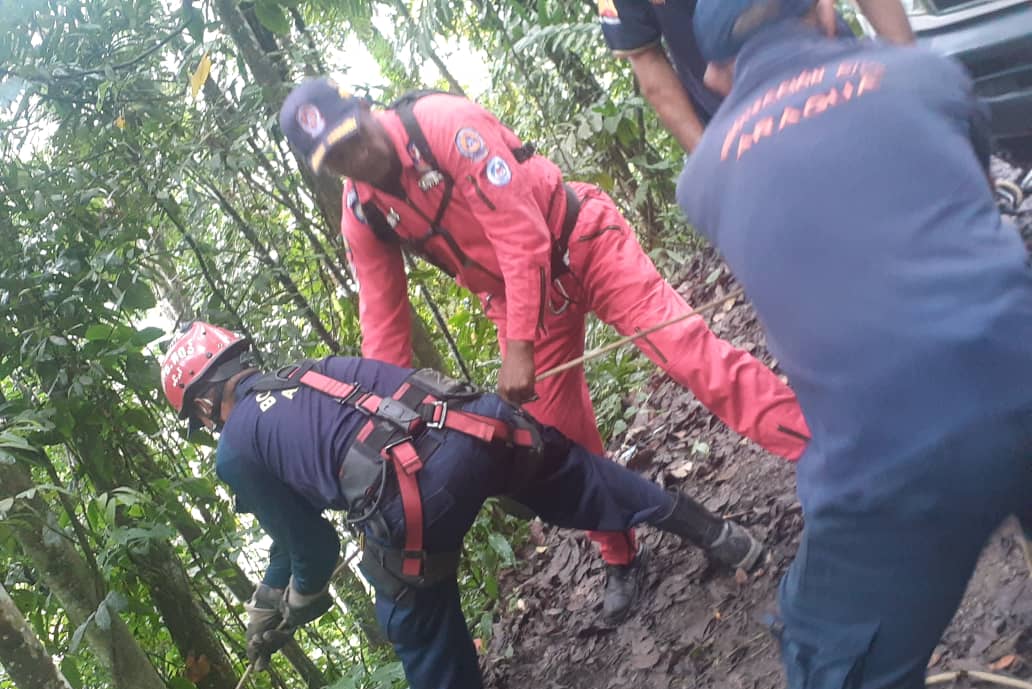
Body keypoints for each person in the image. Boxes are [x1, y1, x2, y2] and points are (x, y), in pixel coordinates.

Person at [277, 79, 810, 625]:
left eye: (353, 137)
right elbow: (382, 321)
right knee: (561, 443)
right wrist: (383, 418)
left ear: (365, 109)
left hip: (581, 241)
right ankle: (619, 553)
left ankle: (818, 457)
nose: (355, 158)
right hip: (513, 302)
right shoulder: (363, 214)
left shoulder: (442, 124)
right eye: (337, 157)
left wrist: (519, 346)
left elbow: (519, 232)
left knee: (691, 354)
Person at [160, 321, 765, 689]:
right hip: (475, 427)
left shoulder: (235, 449)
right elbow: (292, 542)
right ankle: (720, 536)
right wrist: (270, 593)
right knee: (583, 477)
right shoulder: (308, 373)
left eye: (203, 419)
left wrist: (292, 606)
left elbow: (311, 550)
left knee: (408, 614)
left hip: (414, 499)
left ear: (206, 405)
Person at [677, 1, 1032, 689]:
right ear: (827, 14)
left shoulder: (703, 179)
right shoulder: (926, 75)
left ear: (715, 73)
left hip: (894, 456)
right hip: (1021, 362)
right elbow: (974, 193)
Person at [597, 0, 914, 153]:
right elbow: (648, 63)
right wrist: (714, 162)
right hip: (747, 125)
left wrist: (908, 65)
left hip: (837, 73)